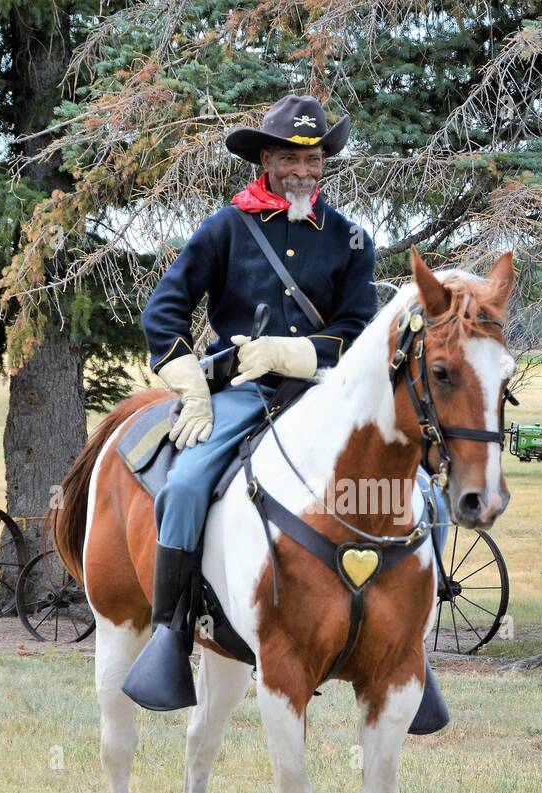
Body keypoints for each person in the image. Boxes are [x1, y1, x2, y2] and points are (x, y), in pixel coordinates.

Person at [124, 94, 378, 711]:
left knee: (416, 483)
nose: (303, 169)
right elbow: (164, 310)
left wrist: (292, 354)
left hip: (325, 392)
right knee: (184, 486)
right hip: (242, 392)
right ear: (265, 159)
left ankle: (407, 639)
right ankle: (171, 630)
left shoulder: (350, 238)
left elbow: (359, 331)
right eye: (290, 157)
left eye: (313, 156)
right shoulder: (224, 227)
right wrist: (188, 382)